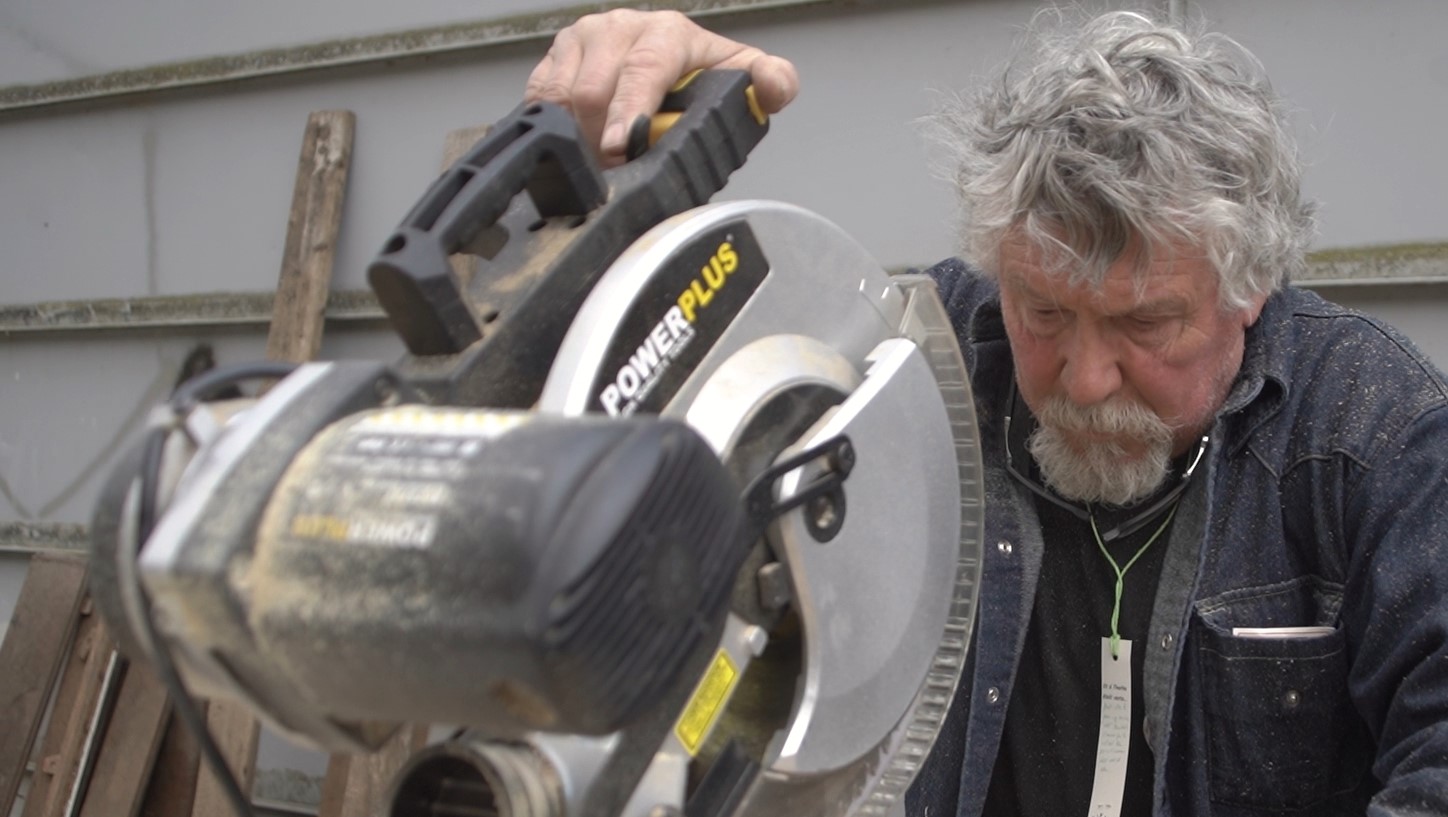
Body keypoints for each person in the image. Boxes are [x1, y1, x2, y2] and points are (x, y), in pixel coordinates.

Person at [526, 9, 1448, 816]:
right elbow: (667, 425)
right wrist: (612, 195)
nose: (1084, 380)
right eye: (1043, 311)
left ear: (1252, 290)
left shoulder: (1375, 435)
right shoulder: (914, 373)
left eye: (1146, 322)